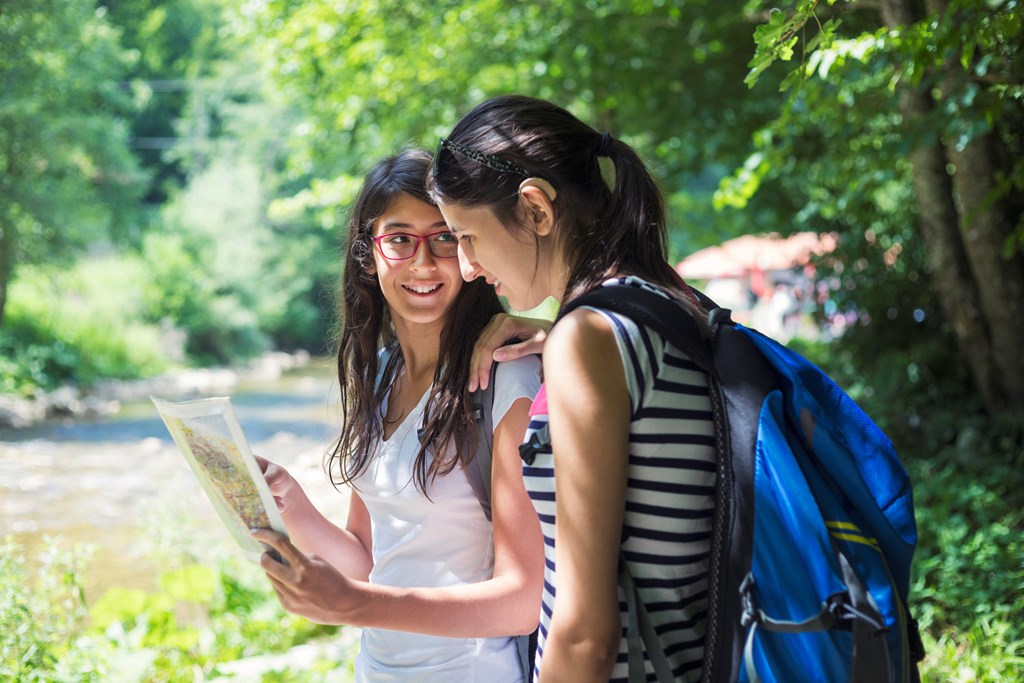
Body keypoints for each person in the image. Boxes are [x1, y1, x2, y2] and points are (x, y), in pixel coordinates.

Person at [428, 95, 717, 683]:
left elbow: (586, 631)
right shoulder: (667, 304)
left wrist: (569, 343)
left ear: (535, 208)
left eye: (466, 237)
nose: (464, 267)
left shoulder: (589, 339)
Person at [251, 149, 544, 683]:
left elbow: (521, 601)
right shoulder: (380, 373)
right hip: (376, 670)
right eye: (400, 239)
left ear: (469, 247)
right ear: (370, 253)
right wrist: (290, 502)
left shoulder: (509, 379)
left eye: (444, 238)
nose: (424, 263)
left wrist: (356, 607)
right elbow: (369, 561)